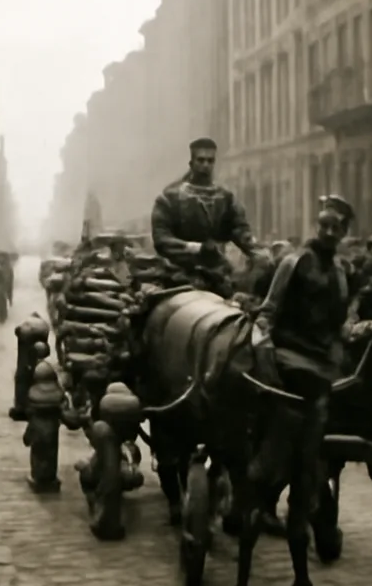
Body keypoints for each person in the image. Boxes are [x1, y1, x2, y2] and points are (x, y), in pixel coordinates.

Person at [254, 195, 352, 542]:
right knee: (298, 423)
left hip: (322, 363)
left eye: (335, 228)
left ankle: (312, 484)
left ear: (344, 233)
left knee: (344, 405)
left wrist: (355, 331)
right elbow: (268, 311)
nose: (327, 232)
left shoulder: (341, 272)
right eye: (323, 225)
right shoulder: (293, 263)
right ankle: (279, 486)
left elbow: (339, 323)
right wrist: (263, 343)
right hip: (289, 357)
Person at [150, 138, 255, 295]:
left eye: (210, 161)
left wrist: (259, 252)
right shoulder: (170, 198)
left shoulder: (226, 198)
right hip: (178, 276)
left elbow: (241, 230)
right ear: (191, 163)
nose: (205, 165)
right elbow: (161, 239)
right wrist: (198, 249)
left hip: (219, 275)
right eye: (201, 160)